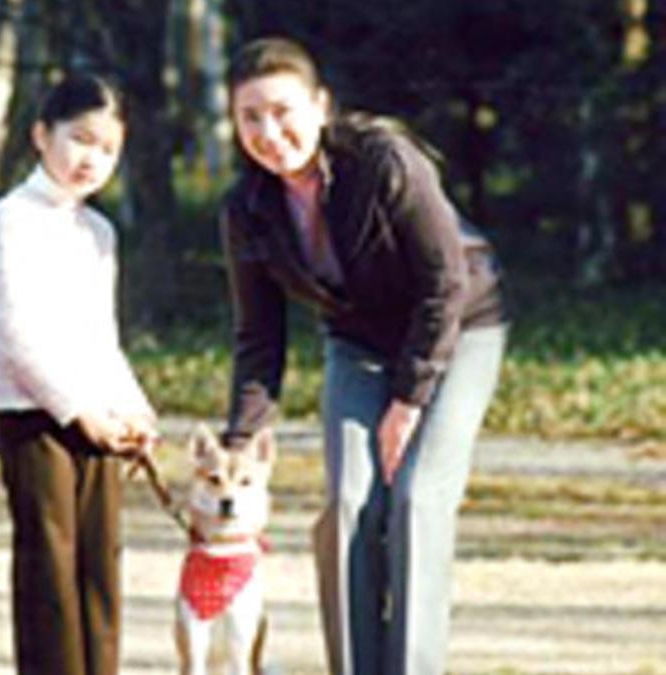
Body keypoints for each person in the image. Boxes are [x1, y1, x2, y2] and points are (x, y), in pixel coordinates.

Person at [218, 37, 507, 675]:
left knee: (416, 498)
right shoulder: (247, 210)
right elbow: (259, 339)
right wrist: (240, 438)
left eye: (284, 110)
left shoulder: (385, 160)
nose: (271, 132)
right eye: (250, 118)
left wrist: (409, 399)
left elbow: (445, 284)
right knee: (349, 502)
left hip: (458, 330)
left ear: (321, 106)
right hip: (359, 340)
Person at [0, 74, 158, 675]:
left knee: (99, 575)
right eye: (80, 139)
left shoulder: (97, 232)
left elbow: (102, 340)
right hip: (36, 422)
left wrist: (133, 412)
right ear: (39, 135)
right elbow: (17, 336)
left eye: (108, 148)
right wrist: (79, 412)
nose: (92, 158)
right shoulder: (10, 221)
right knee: (49, 580)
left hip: (100, 424)